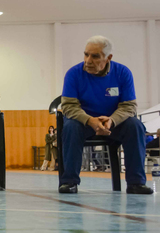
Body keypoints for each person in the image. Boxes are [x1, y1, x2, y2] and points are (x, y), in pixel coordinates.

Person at [57, 36, 152, 195]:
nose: (88, 60)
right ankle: (69, 182)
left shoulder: (122, 73)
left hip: (114, 122)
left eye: (95, 56)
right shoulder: (73, 74)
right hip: (83, 122)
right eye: (86, 54)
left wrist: (112, 120)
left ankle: (136, 183)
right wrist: (90, 120)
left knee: (135, 126)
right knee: (70, 127)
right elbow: (69, 106)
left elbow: (129, 106)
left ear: (108, 58)